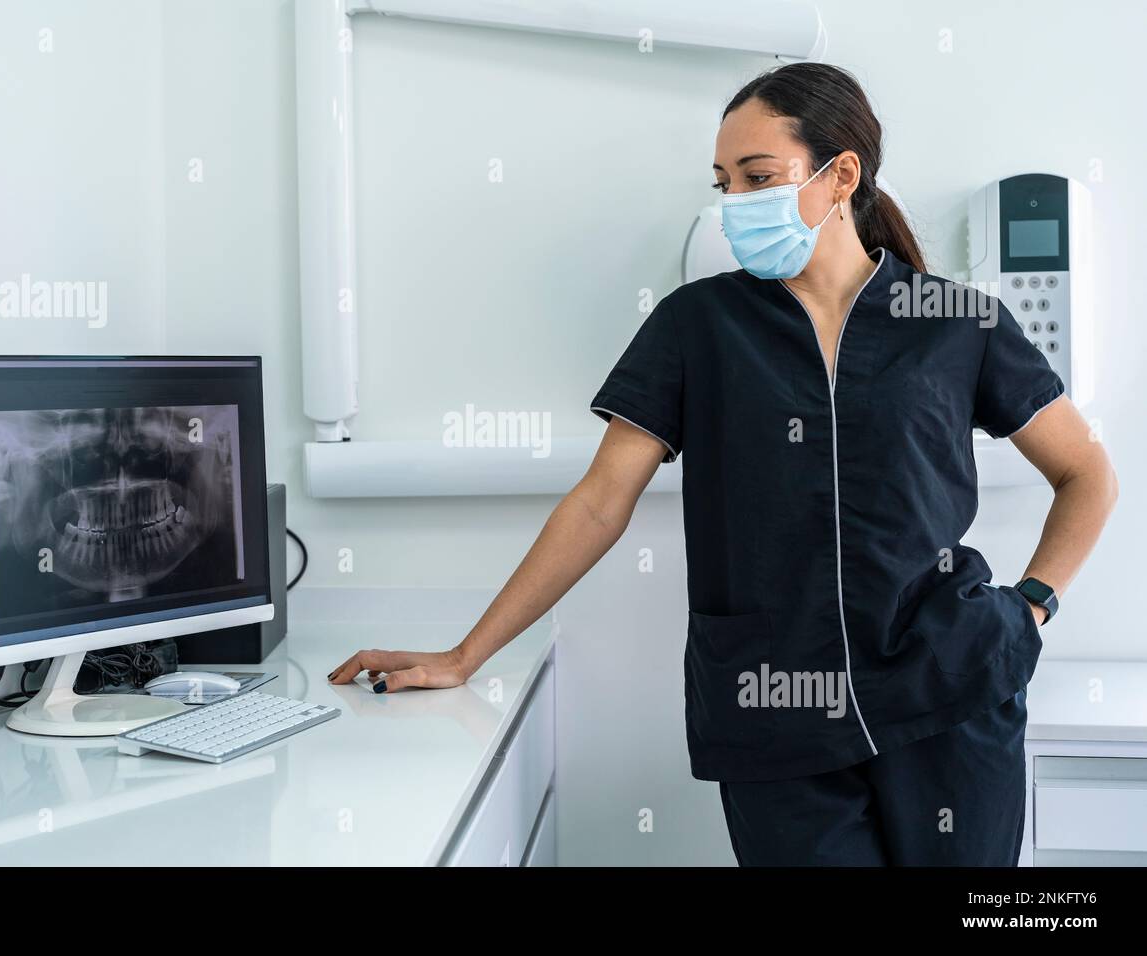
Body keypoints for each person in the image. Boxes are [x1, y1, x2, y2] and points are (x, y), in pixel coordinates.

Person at [326, 62, 1118, 865]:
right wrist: (467, 654)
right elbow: (601, 503)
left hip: (950, 692)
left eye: (758, 177)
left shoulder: (955, 320)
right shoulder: (697, 326)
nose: (735, 203)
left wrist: (1030, 607)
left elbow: (1087, 473)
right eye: (724, 183)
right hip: (774, 712)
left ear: (841, 174)